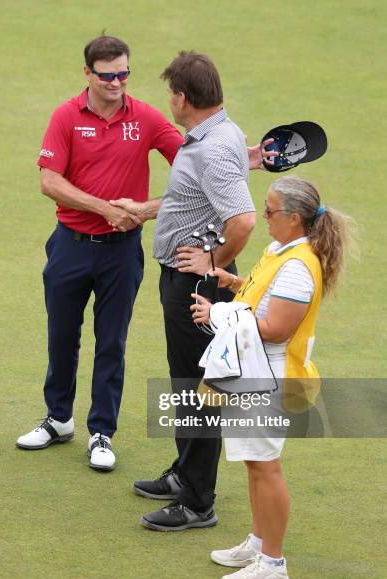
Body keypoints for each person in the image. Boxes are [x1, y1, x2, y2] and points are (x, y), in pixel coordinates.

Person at [112, 51, 276, 530]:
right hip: (185, 278)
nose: (170, 102)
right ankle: (185, 474)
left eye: (171, 94)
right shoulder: (220, 135)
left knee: (200, 385)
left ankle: (197, 501)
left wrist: (213, 263)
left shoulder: (213, 147)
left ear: (183, 98)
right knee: (184, 377)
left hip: (196, 285)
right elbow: (194, 197)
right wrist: (144, 210)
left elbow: (243, 220)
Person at [16, 35, 184, 470]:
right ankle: (58, 419)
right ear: (87, 73)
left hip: (121, 253)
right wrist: (104, 208)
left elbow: (195, 166)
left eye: (123, 73)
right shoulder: (66, 116)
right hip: (70, 246)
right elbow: (49, 181)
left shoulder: (145, 117)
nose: (117, 82)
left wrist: (146, 211)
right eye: (107, 75)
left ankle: (102, 433)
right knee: (61, 336)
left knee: (111, 342)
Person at [191, 175, 354, 579]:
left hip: (269, 376)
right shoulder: (280, 250)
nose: (263, 215)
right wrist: (233, 284)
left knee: (266, 467)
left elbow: (276, 328)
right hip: (253, 370)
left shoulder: (299, 267)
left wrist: (218, 314)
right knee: (255, 463)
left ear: (295, 218)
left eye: (270, 210)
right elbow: (260, 295)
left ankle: (273, 564)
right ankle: (258, 541)